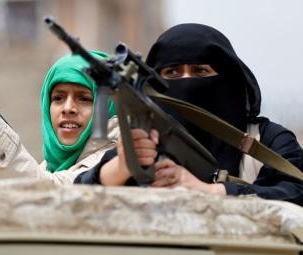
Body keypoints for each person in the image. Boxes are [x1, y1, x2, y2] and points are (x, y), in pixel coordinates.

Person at [75, 23, 303, 206]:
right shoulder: (146, 142)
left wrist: (213, 191)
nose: (186, 82)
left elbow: (296, 192)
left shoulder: (267, 142)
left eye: (200, 71)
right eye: (172, 72)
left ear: (228, 79)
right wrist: (120, 168)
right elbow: (75, 202)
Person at [0, 51, 131, 184]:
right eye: (58, 98)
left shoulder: (119, 163)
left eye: (85, 99)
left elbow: (51, 196)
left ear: (107, 107)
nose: (68, 108)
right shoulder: (49, 167)